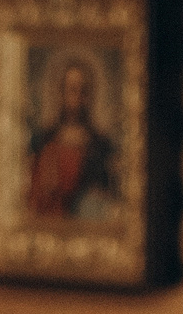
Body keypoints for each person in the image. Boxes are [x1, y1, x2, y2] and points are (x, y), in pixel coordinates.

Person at [26, 59, 120, 220]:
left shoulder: (101, 144)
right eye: (72, 90)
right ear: (61, 93)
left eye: (84, 91)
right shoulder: (43, 140)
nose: (78, 97)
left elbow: (108, 193)